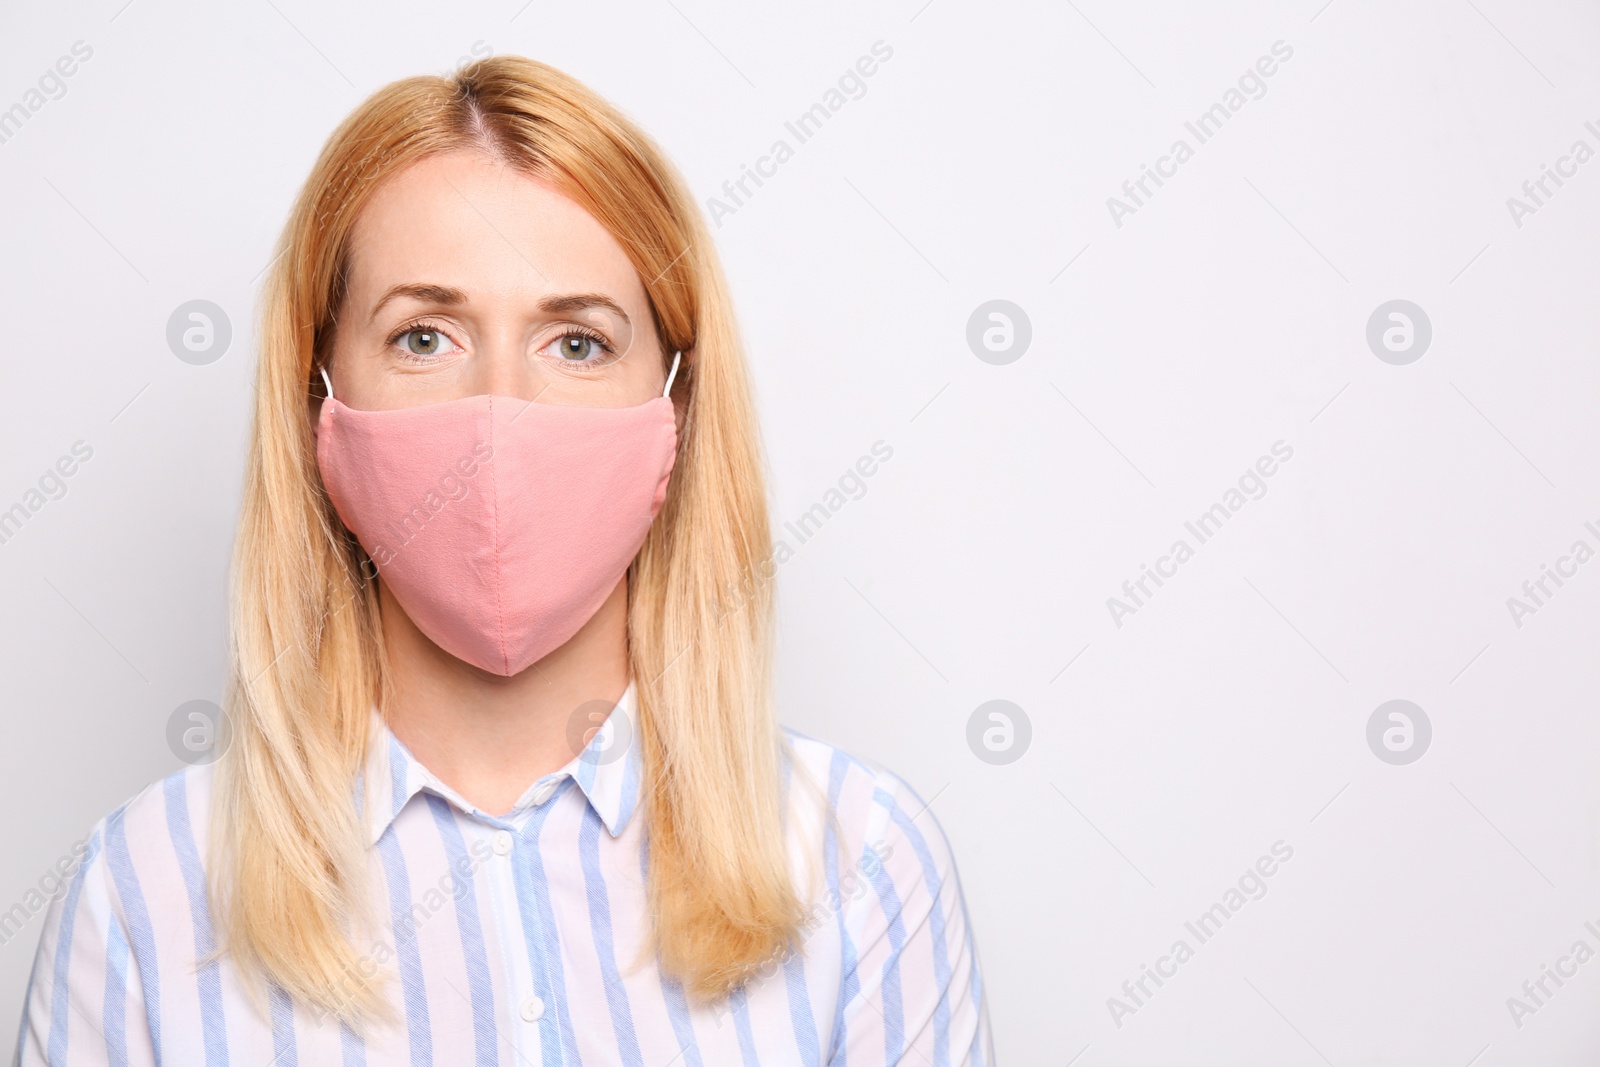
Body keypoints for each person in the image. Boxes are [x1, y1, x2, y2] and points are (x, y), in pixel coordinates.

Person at [16, 55, 992, 1065]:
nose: (498, 413)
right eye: (423, 335)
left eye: (576, 343)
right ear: (317, 402)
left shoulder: (860, 862)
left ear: (677, 407)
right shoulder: (142, 894)